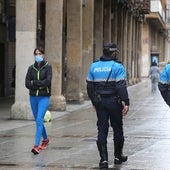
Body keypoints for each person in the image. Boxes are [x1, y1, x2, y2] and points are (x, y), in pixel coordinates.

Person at [86, 43, 129, 168]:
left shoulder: (94, 66)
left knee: (102, 128)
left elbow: (89, 86)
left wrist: (94, 101)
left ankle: (103, 160)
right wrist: (126, 102)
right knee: (117, 128)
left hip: (100, 103)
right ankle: (117, 156)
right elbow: (121, 86)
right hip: (114, 102)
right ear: (113, 53)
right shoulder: (118, 66)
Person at [25, 47, 52, 154]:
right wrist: (39, 84)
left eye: (40, 53)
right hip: (33, 98)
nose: (38, 55)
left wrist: (34, 83)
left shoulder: (48, 67)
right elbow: (27, 84)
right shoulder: (30, 68)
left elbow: (47, 82)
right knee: (38, 120)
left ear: (43, 55)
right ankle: (46, 139)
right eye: (36, 54)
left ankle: (36, 146)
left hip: (44, 97)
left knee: (39, 119)